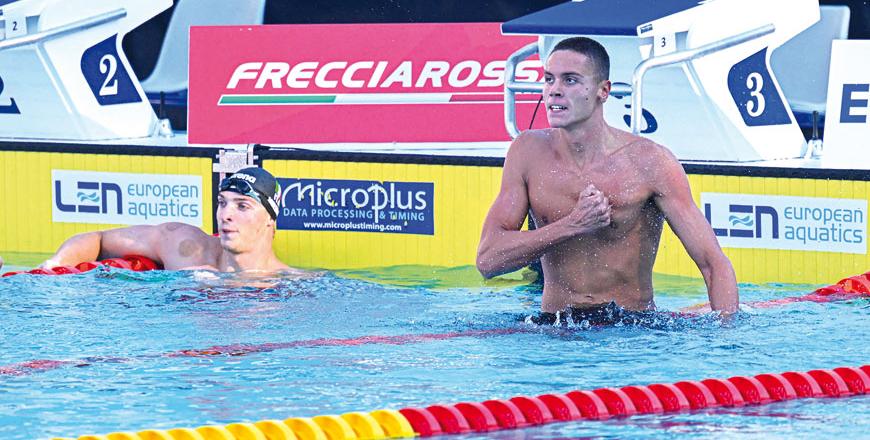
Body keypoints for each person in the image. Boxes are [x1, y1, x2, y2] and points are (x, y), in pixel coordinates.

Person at [476, 37, 738, 323]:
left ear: (603, 91)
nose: (554, 91)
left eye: (570, 81)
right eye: (549, 79)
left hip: (630, 330)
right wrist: (571, 225)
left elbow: (714, 265)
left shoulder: (650, 162)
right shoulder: (527, 152)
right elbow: (488, 260)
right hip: (554, 329)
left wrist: (727, 340)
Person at [41, 167, 290, 273]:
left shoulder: (289, 287)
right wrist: (54, 267)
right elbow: (98, 239)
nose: (226, 214)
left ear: (270, 219)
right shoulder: (186, 246)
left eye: (242, 206)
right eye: (222, 202)